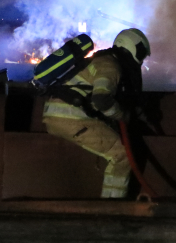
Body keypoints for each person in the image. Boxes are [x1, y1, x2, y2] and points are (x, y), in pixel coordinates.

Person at [42, 28, 150, 198]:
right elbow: (101, 100)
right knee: (121, 155)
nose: (141, 60)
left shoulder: (101, 60)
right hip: (71, 118)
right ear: (131, 47)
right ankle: (111, 207)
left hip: (62, 116)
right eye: (141, 53)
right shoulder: (110, 66)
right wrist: (123, 115)